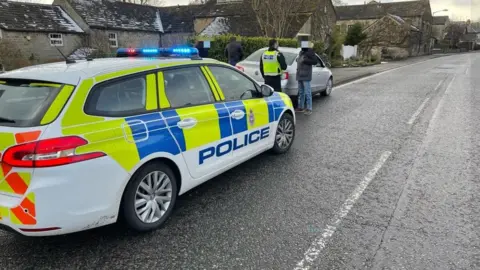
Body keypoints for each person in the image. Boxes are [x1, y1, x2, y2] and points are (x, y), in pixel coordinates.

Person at [295, 46, 318, 115]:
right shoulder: (301, 52)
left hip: (306, 75)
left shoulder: (310, 52)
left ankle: (309, 108)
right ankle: (301, 107)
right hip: (299, 74)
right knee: (301, 92)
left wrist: (305, 60)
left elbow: (315, 61)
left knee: (307, 93)